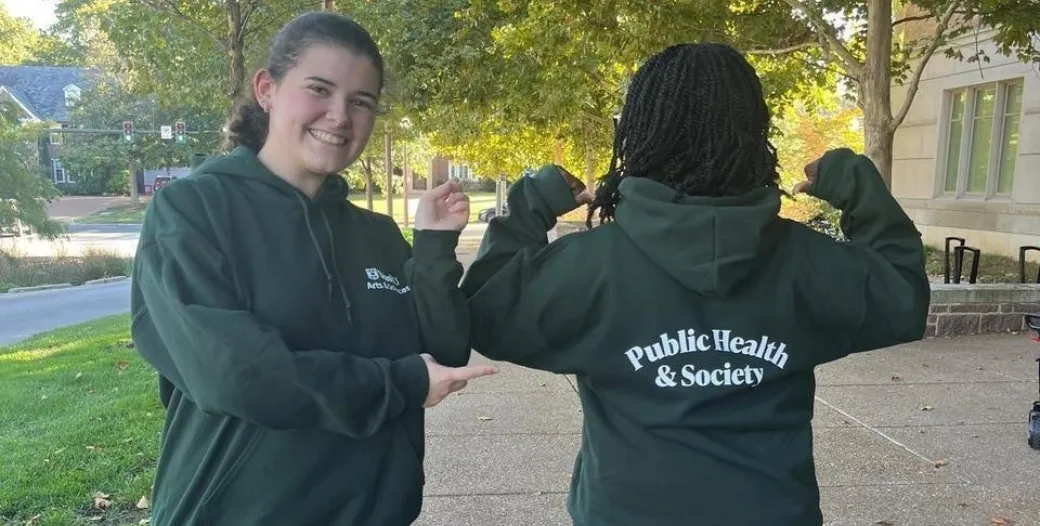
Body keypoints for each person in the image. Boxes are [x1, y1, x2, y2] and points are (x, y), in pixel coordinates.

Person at [461, 43, 930, 526]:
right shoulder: (803, 261)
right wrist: (858, 188)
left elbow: (484, 312)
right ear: (753, 133)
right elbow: (901, 297)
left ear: (640, 134)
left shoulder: (591, 265)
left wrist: (532, 204)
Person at [130, 12, 496, 526]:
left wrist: (433, 247)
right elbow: (233, 372)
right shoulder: (193, 212)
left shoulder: (377, 235)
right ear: (267, 88)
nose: (340, 116)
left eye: (361, 101)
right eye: (319, 89)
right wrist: (399, 384)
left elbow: (443, 353)